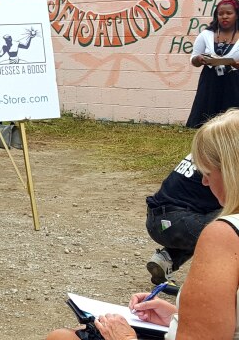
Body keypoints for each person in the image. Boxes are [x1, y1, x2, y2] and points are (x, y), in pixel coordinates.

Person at [47, 109, 239, 340]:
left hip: (166, 217)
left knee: (62, 337)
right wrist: (179, 317)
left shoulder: (225, 235)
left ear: (231, 173)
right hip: (169, 218)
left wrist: (126, 338)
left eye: (208, 172)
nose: (205, 182)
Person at [145, 153, 221, 285]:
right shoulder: (227, 156)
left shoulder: (207, 147)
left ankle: (166, 259)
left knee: (200, 223)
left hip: (156, 221)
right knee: (229, 223)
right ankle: (219, 279)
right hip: (179, 223)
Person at [186, 0, 239, 128]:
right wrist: (199, 59)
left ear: (237, 15)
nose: (224, 17)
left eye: (229, 13)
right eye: (220, 14)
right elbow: (193, 59)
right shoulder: (206, 34)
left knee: (232, 122)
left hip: (234, 82)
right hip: (210, 81)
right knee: (205, 120)